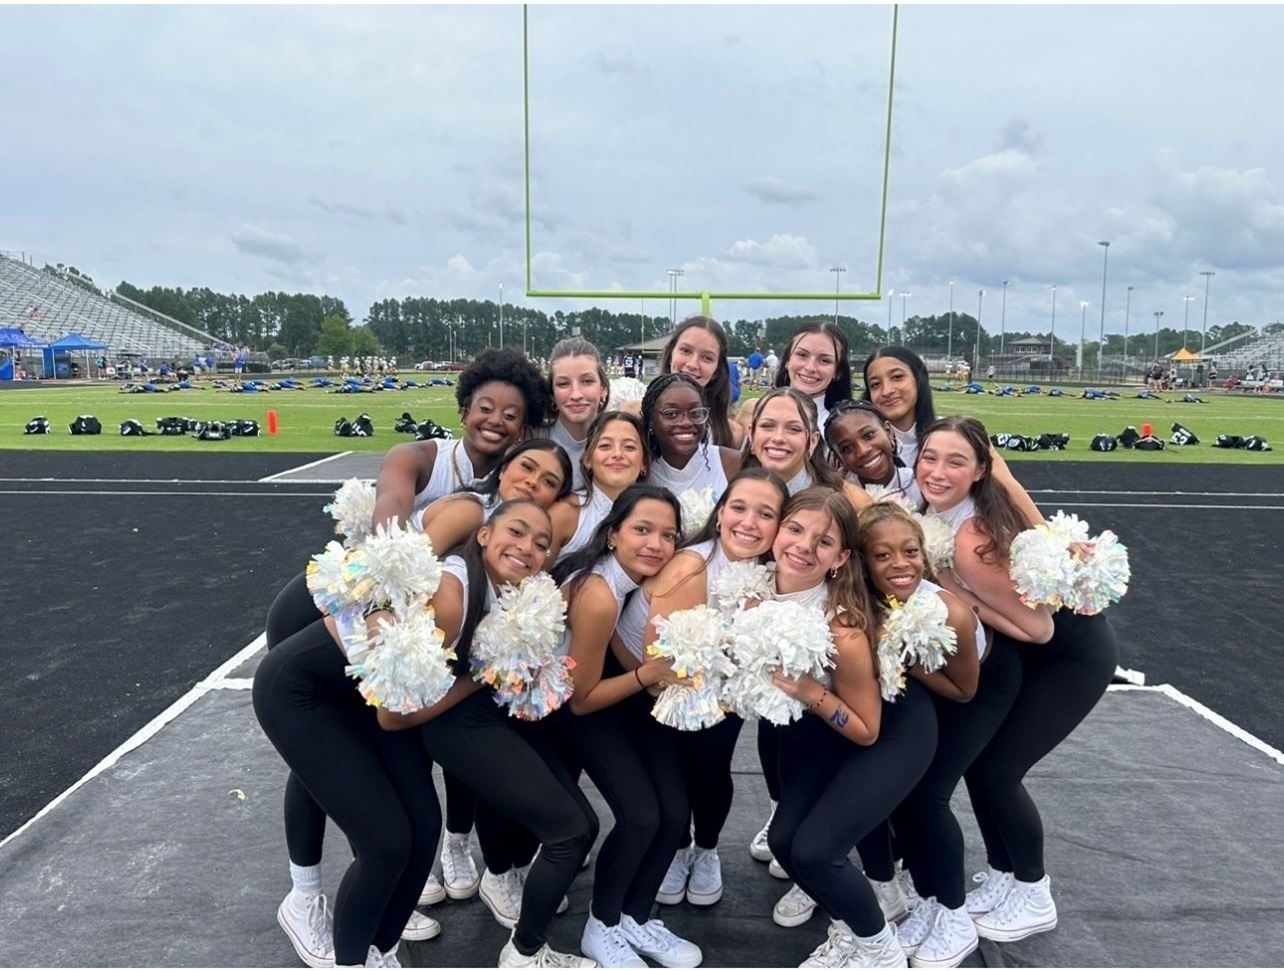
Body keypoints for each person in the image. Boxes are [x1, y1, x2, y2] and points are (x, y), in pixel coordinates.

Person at [262, 348, 551, 932]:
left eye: (511, 415)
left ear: (526, 427)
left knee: (401, 744)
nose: (495, 421)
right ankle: (305, 894)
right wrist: (398, 601)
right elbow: (390, 524)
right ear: (465, 406)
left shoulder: (513, 495)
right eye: (485, 407)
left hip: (407, 627)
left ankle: (400, 879)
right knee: (322, 752)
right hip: (331, 610)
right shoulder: (423, 459)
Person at [920, 417, 1117, 946]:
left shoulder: (970, 538)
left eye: (955, 462)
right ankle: (1005, 875)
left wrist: (957, 592)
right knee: (983, 769)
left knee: (1000, 771)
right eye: (929, 457)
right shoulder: (943, 510)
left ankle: (1034, 890)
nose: (936, 471)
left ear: (980, 471)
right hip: (1040, 654)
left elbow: (1037, 627)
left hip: (1070, 657)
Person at [377, 500, 598, 968]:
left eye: (542, 544)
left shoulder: (515, 590)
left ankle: (521, 933)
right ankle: (525, 953)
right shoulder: (451, 594)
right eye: (516, 532)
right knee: (570, 832)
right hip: (453, 724)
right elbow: (394, 716)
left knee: (582, 826)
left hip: (484, 715)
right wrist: (481, 677)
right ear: (483, 535)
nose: (527, 549)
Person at [855, 494, 1031, 968]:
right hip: (932, 686)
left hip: (980, 686)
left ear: (924, 555)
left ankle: (952, 912)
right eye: (882, 554)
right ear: (862, 561)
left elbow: (964, 691)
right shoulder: (871, 599)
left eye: (910, 552)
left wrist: (901, 659)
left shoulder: (946, 611)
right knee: (901, 793)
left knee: (929, 794)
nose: (899, 563)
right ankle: (929, 898)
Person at [764, 487, 933, 969]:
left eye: (823, 542)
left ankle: (880, 951)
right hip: (822, 732)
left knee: (817, 851)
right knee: (783, 842)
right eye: (795, 529)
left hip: (887, 730)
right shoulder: (754, 589)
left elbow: (865, 730)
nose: (802, 545)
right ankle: (851, 925)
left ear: (839, 559)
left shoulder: (844, 629)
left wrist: (808, 693)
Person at [253, 575, 443, 968]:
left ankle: (377, 927)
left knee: (416, 827)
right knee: (376, 829)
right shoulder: (463, 521)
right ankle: (303, 899)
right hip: (318, 639)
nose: (529, 547)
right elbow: (386, 538)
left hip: (380, 672)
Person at [552, 486, 704, 968]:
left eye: (668, 535)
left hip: (618, 701)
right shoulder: (597, 592)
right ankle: (602, 926)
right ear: (613, 533)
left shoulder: (636, 580)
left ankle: (634, 918)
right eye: (642, 529)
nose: (656, 544)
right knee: (641, 816)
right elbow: (581, 701)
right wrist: (651, 674)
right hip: (575, 711)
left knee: (675, 814)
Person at [636, 468, 789, 909]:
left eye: (766, 514)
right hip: (665, 692)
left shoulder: (773, 572)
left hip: (727, 691)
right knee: (677, 776)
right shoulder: (692, 565)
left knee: (712, 768)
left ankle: (706, 851)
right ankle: (679, 849)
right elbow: (658, 665)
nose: (748, 522)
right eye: (739, 508)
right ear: (720, 515)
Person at [551, 412, 649, 564]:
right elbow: (531, 579)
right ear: (587, 460)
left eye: (629, 447)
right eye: (605, 446)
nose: (617, 454)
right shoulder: (566, 512)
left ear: (644, 463)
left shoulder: (656, 515)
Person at [640, 374, 741, 505]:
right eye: (671, 414)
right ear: (651, 420)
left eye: (695, 413)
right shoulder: (640, 471)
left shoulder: (732, 464)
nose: (686, 422)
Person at [824, 400, 922, 510]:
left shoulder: (918, 484)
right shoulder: (837, 498)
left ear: (888, 432)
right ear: (840, 459)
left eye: (868, 435)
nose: (863, 451)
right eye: (847, 448)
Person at [657, 316, 740, 447]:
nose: (692, 364)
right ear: (670, 355)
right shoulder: (640, 419)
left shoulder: (733, 435)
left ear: (717, 370)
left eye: (707, 358)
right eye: (685, 351)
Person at [768, 320, 854, 438]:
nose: (810, 368)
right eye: (802, 355)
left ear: (837, 372)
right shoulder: (756, 414)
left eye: (824, 360)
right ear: (787, 360)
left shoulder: (843, 430)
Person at [546, 337, 611, 490]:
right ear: (552, 394)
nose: (576, 394)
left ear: (603, 389)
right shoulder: (531, 437)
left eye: (587, 381)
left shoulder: (622, 438)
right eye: (563, 384)